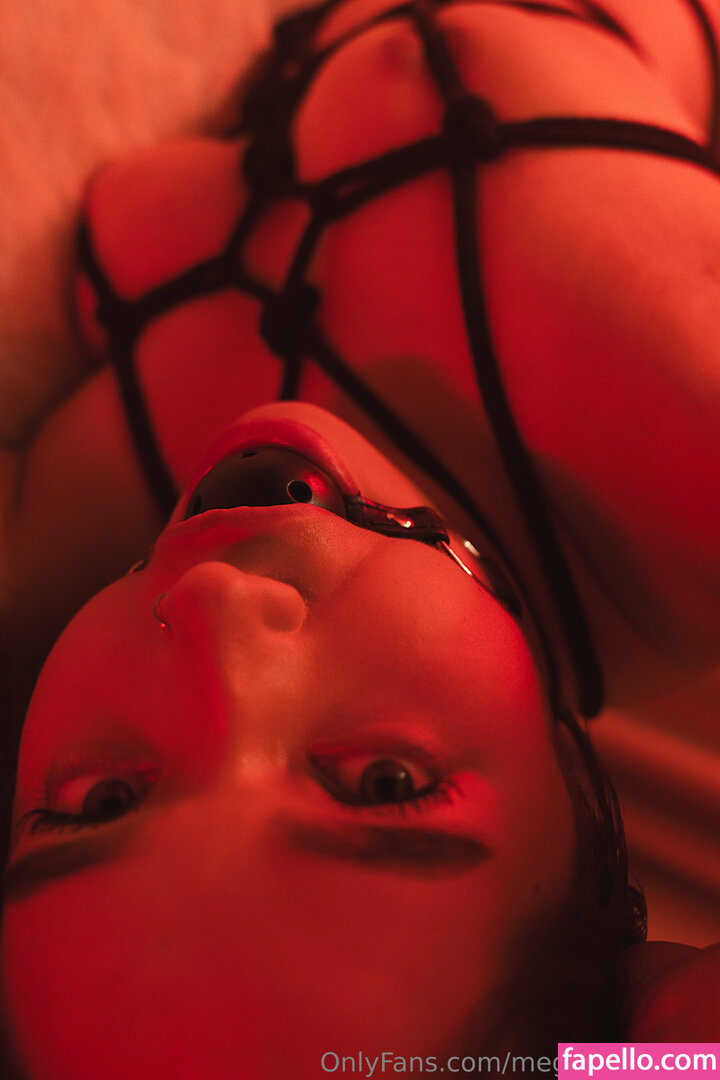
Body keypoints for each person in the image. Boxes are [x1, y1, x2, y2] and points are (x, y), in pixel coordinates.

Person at [1, 0, 719, 1074]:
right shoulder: (685, 458)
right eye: (384, 783)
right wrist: (631, 1051)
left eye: (104, 802)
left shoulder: (60, 539)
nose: (214, 609)